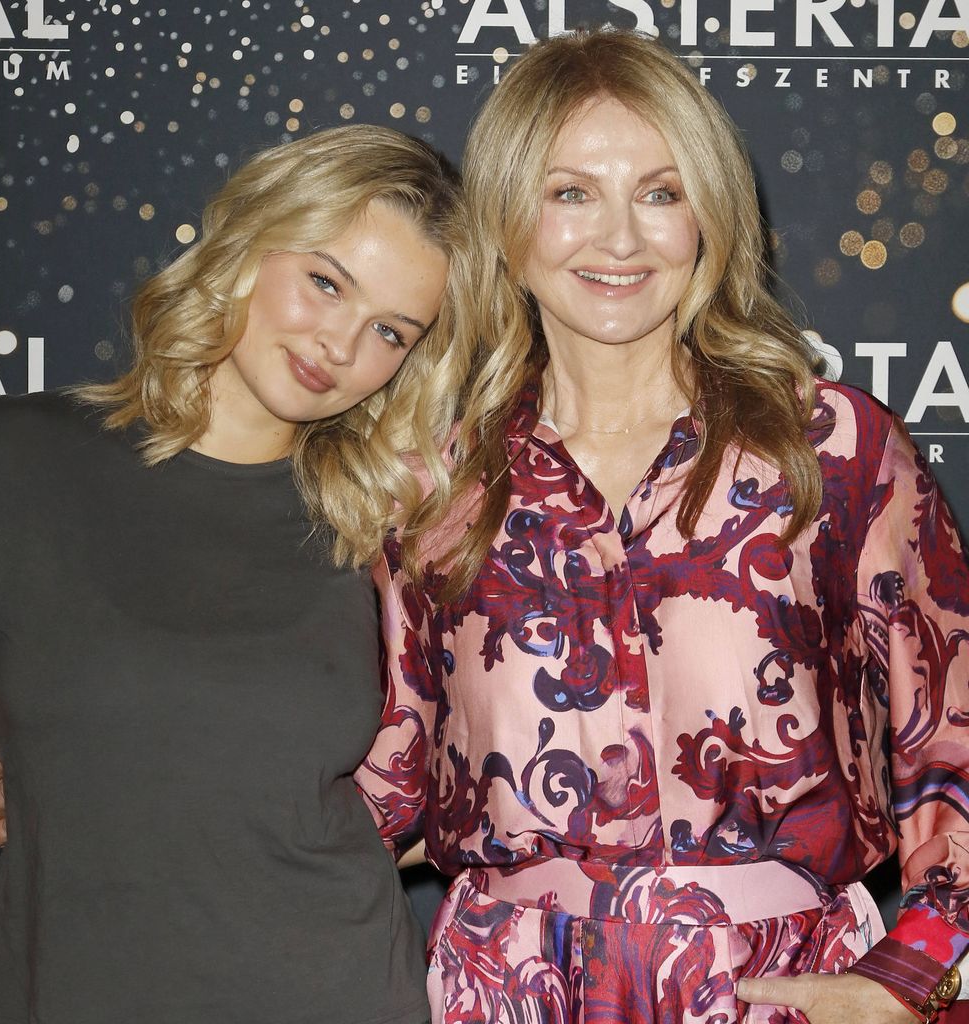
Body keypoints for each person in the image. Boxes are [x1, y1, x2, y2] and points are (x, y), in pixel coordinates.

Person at [353, 28, 969, 1024]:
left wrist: (912, 970)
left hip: (780, 988)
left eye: (659, 191)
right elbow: (379, 772)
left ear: (707, 217)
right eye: (570, 194)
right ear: (507, 220)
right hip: (508, 989)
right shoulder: (431, 477)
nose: (620, 240)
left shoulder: (831, 449)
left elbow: (953, 732)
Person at [0, 124, 469, 1024]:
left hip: (335, 991)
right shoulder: (5, 463)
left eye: (389, 329)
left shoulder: (387, 529)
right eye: (324, 282)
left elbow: (514, 768)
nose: (340, 344)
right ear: (255, 236)